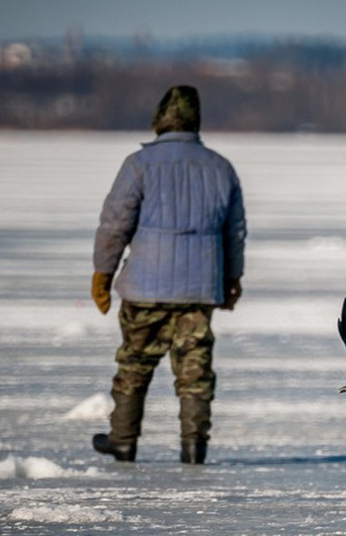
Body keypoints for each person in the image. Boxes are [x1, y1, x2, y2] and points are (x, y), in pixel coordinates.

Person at [91, 85, 246, 465]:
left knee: (134, 364)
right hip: (200, 289)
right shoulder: (220, 167)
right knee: (195, 372)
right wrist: (231, 278)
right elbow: (235, 231)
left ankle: (123, 441)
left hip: (145, 286)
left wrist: (103, 273)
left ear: (160, 119)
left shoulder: (138, 165)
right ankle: (194, 448)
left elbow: (115, 224)